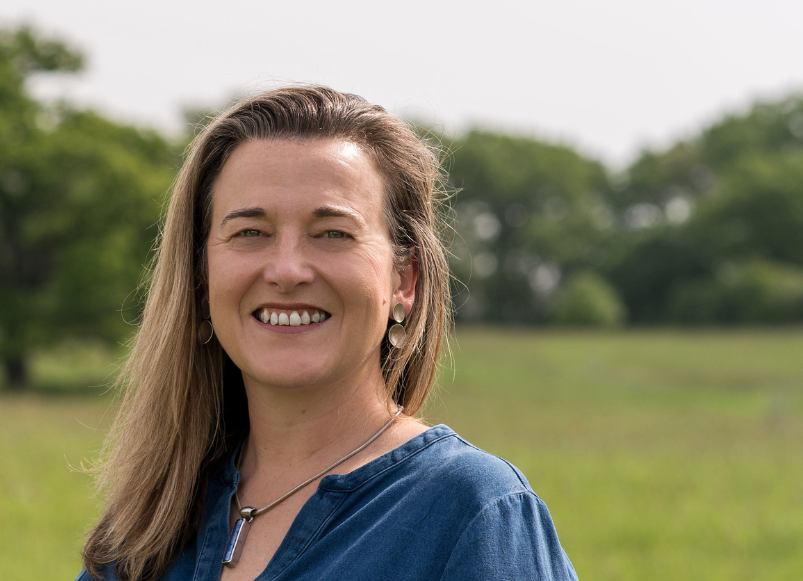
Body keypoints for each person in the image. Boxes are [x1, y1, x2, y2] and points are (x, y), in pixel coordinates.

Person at [75, 86, 577, 581]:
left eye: (333, 233)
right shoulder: (149, 524)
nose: (287, 270)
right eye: (250, 232)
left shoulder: (472, 512)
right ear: (202, 278)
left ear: (405, 280)